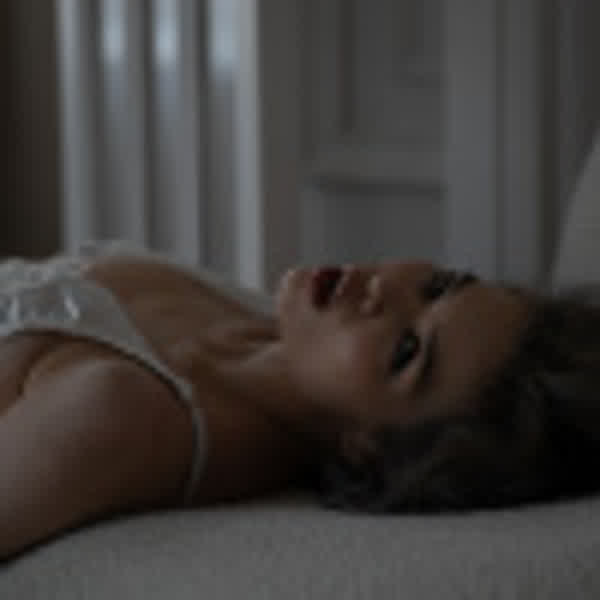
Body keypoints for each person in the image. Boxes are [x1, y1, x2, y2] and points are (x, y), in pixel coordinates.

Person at [1, 240, 599, 560]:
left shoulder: (121, 414)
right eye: (437, 285)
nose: (383, 291)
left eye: (405, 351)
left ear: (369, 445)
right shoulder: (258, 317)